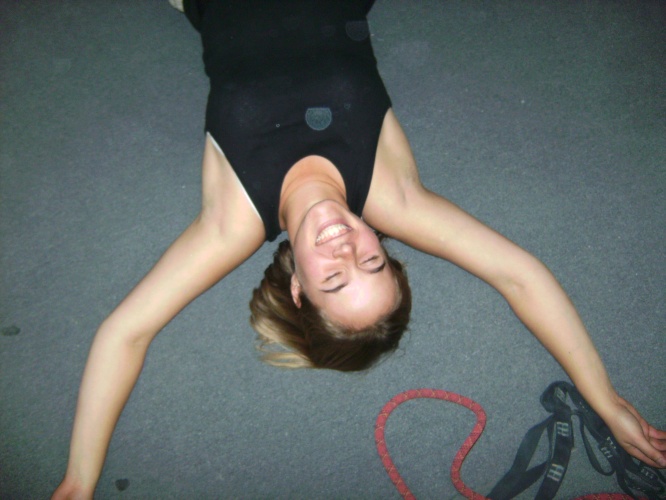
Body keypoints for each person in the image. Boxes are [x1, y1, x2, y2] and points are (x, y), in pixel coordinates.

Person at [53, 1, 666, 498]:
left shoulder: (233, 221)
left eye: (334, 280)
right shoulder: (391, 195)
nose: (345, 248)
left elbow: (126, 331)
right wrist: (605, 400)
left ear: (298, 288)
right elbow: (518, 274)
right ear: (385, 245)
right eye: (371, 261)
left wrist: (79, 482)